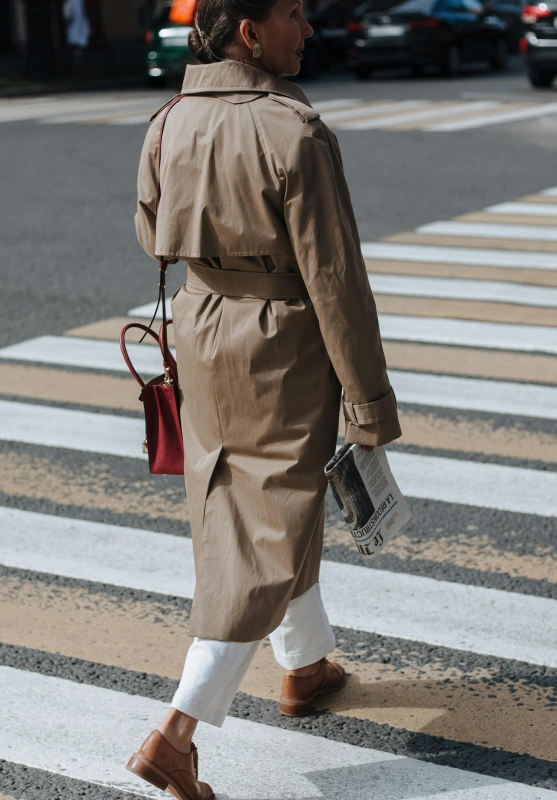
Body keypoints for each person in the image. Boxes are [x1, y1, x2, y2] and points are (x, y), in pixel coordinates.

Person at [127, 0, 401, 795]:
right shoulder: (293, 131)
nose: (307, 28)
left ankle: (305, 666)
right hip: (283, 337)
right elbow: (335, 279)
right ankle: (176, 732)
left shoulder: (168, 119)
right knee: (263, 525)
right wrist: (369, 404)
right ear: (249, 32)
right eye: (292, 14)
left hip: (202, 323)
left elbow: (151, 235)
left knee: (252, 503)